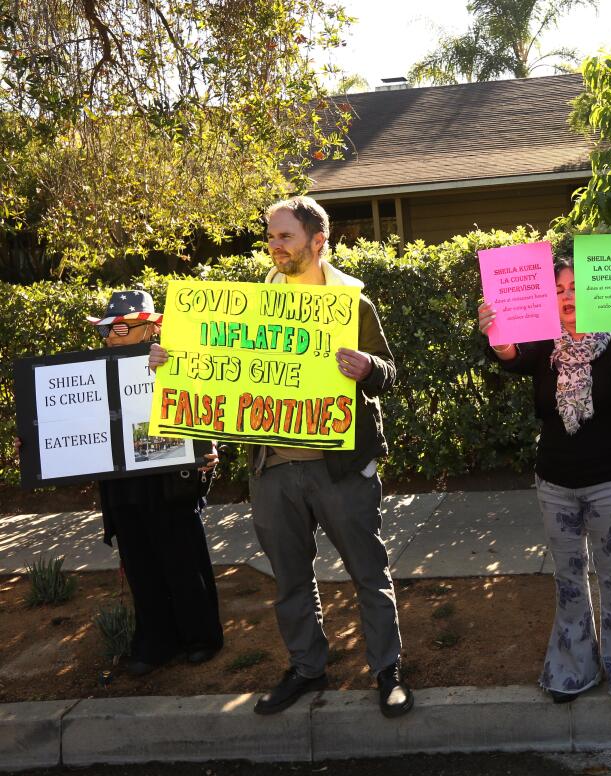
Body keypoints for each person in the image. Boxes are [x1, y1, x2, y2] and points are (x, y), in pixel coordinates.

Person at [150, 196, 411, 718]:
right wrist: (169, 361)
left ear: (318, 242)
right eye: (270, 236)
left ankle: (388, 671)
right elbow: (217, 371)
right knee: (289, 579)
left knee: (368, 573)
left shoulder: (352, 302)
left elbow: (391, 371)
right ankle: (307, 668)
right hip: (273, 470)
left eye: (283, 237)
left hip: (341, 468)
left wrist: (370, 369)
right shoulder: (251, 305)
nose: (273, 246)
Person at [477, 247, 611, 708]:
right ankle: (572, 670)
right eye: (558, 289)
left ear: (598, 292)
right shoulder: (544, 345)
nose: (567, 296)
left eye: (577, 287)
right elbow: (511, 356)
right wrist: (497, 333)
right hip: (555, 483)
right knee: (568, 579)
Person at [33, 291, 223, 675]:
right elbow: (70, 425)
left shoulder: (177, 358)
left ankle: (201, 638)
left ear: (150, 327)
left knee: (184, 564)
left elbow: (208, 405)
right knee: (140, 567)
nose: (110, 337)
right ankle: (155, 643)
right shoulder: (92, 370)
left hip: (171, 487)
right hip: (122, 490)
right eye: (106, 330)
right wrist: (34, 443)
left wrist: (208, 446)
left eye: (120, 328)